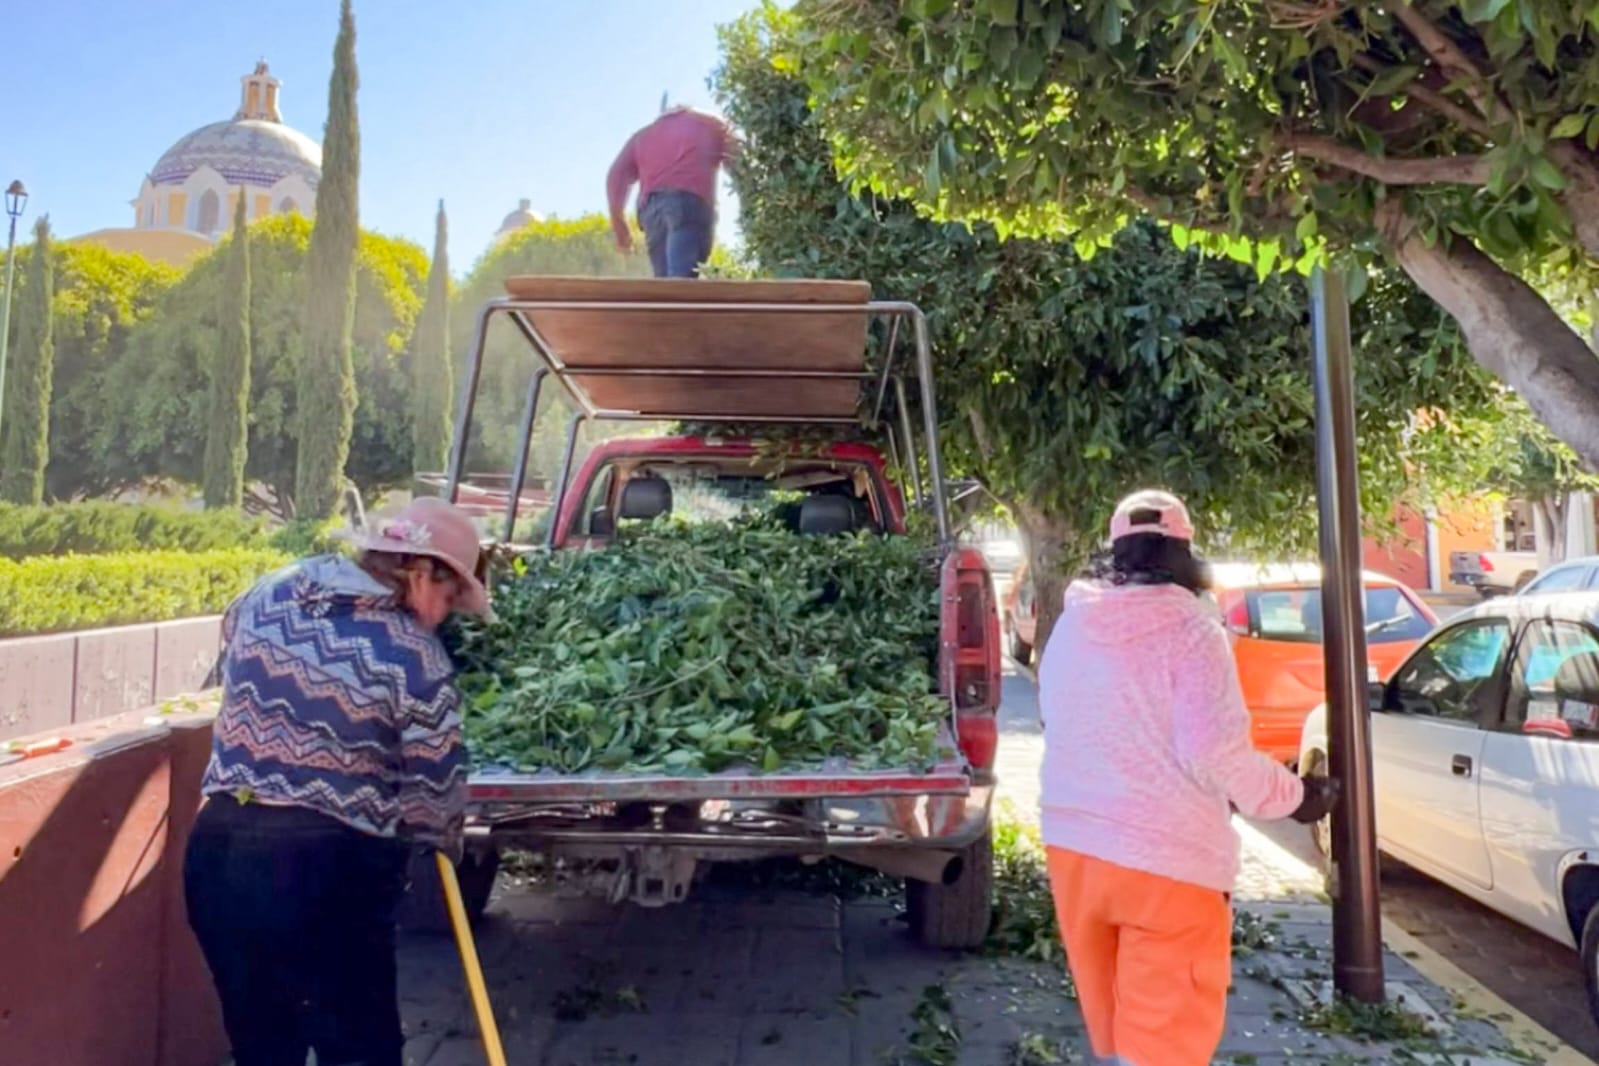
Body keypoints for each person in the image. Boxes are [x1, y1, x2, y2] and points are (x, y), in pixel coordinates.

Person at [183, 496, 491, 1066]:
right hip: (326, 866)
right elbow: (435, 786)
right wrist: (441, 842)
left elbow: (232, 643)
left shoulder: (271, 590)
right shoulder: (414, 655)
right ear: (421, 573)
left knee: (262, 1047)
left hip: (218, 855)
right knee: (359, 1047)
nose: (444, 617)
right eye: (449, 599)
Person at [1036, 490, 1340, 1066]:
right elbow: (1214, 752)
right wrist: (1296, 796)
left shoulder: (1073, 626)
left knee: (1119, 1027)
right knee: (1162, 1044)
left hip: (1075, 852)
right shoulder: (1193, 633)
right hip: (1166, 864)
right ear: (1184, 552)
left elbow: (1058, 718)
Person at [606, 104, 733, 277]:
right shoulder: (710, 124)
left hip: (652, 211)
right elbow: (739, 159)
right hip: (689, 204)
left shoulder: (643, 136)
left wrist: (620, 226)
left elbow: (616, 176)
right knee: (682, 280)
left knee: (664, 282)